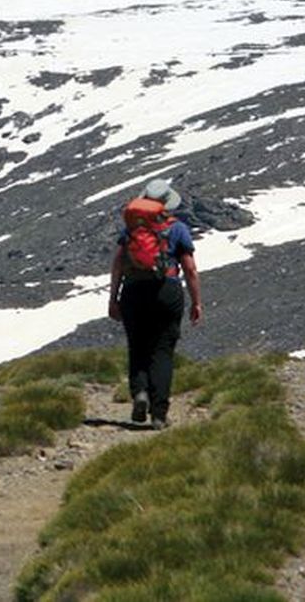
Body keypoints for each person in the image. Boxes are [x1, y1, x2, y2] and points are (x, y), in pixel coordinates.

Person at [108, 178, 203, 428]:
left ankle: (139, 393)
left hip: (133, 292)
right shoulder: (177, 228)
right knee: (162, 351)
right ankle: (159, 414)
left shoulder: (130, 231)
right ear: (166, 204)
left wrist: (113, 299)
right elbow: (190, 269)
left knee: (137, 345)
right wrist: (196, 302)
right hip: (167, 290)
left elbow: (118, 265)